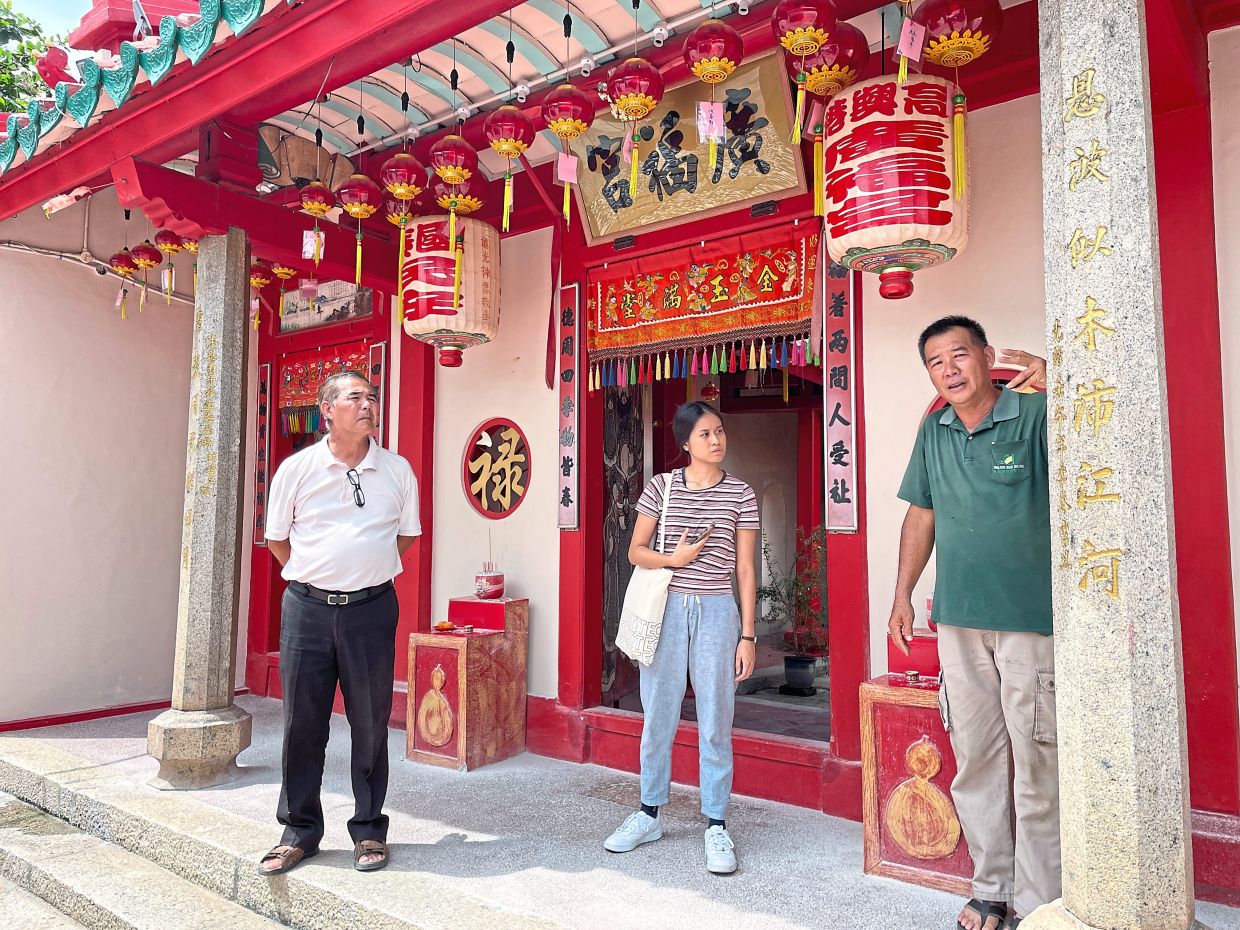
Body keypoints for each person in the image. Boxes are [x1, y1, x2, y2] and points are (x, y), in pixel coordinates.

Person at [889, 316, 1054, 930]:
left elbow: (1103, 443)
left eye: (959, 355)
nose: (949, 369)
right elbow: (921, 514)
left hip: (1030, 621)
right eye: (936, 362)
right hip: (958, 621)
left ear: (988, 356)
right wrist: (903, 594)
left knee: (1038, 762)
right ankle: (992, 890)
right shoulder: (933, 431)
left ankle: (1041, 904)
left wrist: (1061, 382)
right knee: (977, 759)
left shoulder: (1035, 416)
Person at [259, 371, 421, 875]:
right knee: (302, 724)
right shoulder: (298, 469)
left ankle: (369, 831)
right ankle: (299, 830)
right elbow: (276, 540)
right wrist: (319, 575)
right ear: (327, 409)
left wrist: (362, 572)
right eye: (356, 397)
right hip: (306, 609)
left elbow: (406, 537)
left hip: (372, 611)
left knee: (370, 724)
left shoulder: (396, 471)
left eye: (372, 397)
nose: (368, 404)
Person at [603, 401, 760, 875]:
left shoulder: (742, 494)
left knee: (716, 716)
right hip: (668, 607)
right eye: (706, 434)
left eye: (720, 431)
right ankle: (649, 813)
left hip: (717, 611)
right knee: (659, 714)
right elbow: (635, 552)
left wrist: (748, 634)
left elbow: (747, 570)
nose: (717, 441)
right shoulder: (661, 488)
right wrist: (675, 559)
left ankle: (716, 823)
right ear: (686, 443)